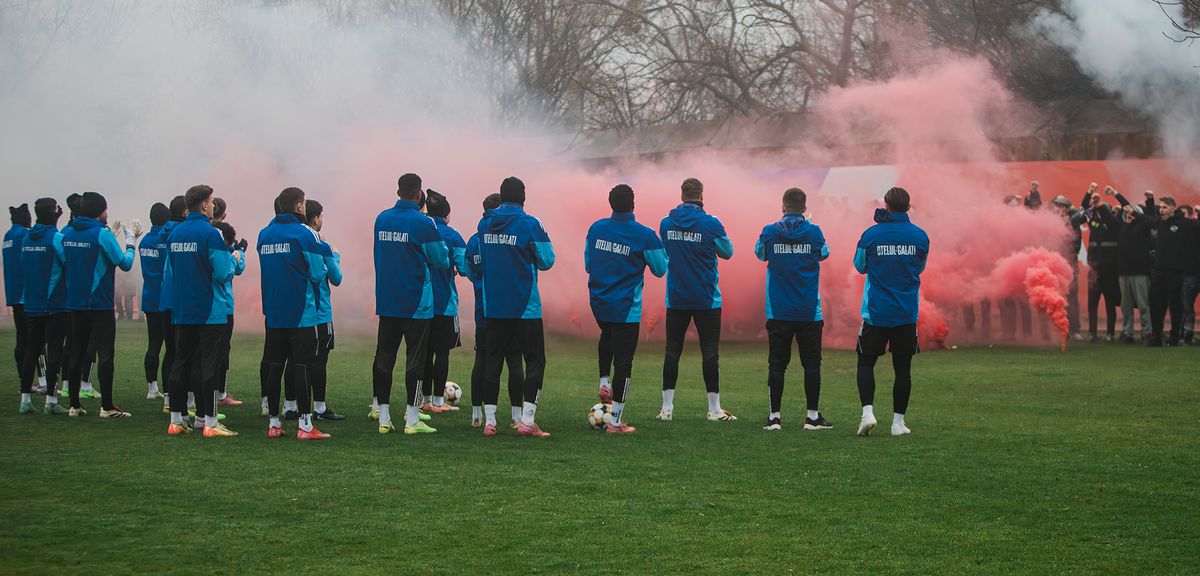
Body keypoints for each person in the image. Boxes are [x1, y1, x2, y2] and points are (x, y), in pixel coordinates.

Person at [584, 184, 667, 434]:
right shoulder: (645, 234)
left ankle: (604, 382)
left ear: (611, 203)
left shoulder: (596, 228)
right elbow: (660, 269)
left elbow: (589, 264)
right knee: (625, 363)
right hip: (626, 308)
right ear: (633, 204)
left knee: (606, 336)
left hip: (599, 302)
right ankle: (617, 422)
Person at [477, 176, 555, 438]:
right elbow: (547, 260)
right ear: (523, 197)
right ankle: (527, 421)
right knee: (534, 360)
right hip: (525, 307)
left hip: (494, 305)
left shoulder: (485, 223)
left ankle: (490, 423)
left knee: (493, 361)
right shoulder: (531, 223)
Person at [371, 174, 448, 435]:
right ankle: (412, 420)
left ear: (398, 191)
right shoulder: (423, 223)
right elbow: (440, 260)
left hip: (387, 300)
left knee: (384, 358)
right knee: (416, 360)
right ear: (419, 194)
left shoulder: (381, 219)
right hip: (417, 303)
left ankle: (383, 417)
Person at [852, 187, 929, 437]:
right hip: (906, 313)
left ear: (885, 205)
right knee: (903, 368)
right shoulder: (920, 236)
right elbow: (920, 267)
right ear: (908, 207)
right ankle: (898, 423)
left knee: (865, 363)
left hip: (875, 313)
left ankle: (867, 413)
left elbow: (860, 266)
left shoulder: (871, 234)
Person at [754, 187, 832, 432]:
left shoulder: (769, 231)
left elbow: (759, 253)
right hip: (809, 311)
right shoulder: (815, 232)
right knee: (811, 364)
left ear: (783, 207)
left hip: (778, 310)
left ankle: (774, 417)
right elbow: (824, 253)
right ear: (805, 208)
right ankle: (811, 417)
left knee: (777, 365)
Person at [658, 177, 735, 422]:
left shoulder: (666, 223)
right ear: (701, 196)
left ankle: (666, 409)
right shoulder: (711, 223)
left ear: (682, 196)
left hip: (677, 297)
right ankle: (714, 410)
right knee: (710, 353)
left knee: (672, 352)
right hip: (706, 299)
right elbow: (727, 252)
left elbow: (665, 250)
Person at [258, 187, 333, 440]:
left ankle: (274, 423)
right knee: (302, 366)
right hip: (302, 312)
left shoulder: (264, 235)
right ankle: (305, 425)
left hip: (273, 312)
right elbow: (316, 273)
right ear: (300, 206)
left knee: (275, 365)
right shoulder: (305, 234)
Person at [164, 185, 239, 437]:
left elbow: (174, 271)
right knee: (208, 364)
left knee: (180, 361)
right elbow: (222, 273)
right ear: (205, 205)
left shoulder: (174, 234)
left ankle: (177, 419)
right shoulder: (211, 234)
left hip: (183, 309)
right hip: (210, 310)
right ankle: (209, 421)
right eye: (210, 203)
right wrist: (233, 260)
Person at [62, 191, 134, 418]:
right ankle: (107, 406)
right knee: (105, 354)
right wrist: (131, 243)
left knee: (76, 351)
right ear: (99, 212)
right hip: (100, 305)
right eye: (105, 209)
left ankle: (74, 405)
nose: (107, 213)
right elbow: (124, 264)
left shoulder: (66, 233)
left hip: (75, 303)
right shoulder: (102, 234)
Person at [464, 193, 525, 428]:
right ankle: (516, 416)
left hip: (484, 310)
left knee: (484, 359)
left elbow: (469, 271)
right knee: (514, 361)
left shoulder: (474, 239)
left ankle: (477, 415)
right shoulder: (511, 234)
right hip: (512, 308)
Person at [18, 198, 70, 415]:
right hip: (54, 304)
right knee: (55, 352)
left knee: (32, 350)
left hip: (31, 304)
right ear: (53, 211)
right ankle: (50, 400)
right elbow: (67, 262)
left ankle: (25, 400)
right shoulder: (56, 238)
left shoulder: (26, 237)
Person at [420, 189, 467, 414]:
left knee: (425, 353)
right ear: (447, 214)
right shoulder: (453, 235)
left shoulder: (422, 230)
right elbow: (465, 267)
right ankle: (439, 401)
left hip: (422, 304)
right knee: (442, 353)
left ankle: (425, 399)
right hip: (445, 304)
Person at [302, 199, 344, 421]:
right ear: (316, 218)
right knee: (319, 361)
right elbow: (336, 278)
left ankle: (293, 406)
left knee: (300, 361)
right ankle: (318, 408)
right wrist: (335, 256)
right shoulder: (321, 245)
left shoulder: (299, 239)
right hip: (319, 311)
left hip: (300, 311)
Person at [1144, 193, 1195, 347]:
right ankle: (1156, 336)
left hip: (1176, 272)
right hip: (1158, 271)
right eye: (1161, 207)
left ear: (1173, 208)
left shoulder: (1185, 224)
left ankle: (1174, 337)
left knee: (1175, 305)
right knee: (1155, 304)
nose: (1162, 210)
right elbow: (1142, 218)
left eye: (1165, 207)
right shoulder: (1159, 223)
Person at [1105, 187, 1153, 343]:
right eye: (1126, 214)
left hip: (1140, 271)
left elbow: (1132, 209)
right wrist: (1099, 205)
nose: (1128, 215)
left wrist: (1115, 194)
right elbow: (1110, 220)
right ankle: (1128, 332)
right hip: (1124, 272)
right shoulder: (1122, 227)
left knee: (1143, 304)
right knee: (1126, 306)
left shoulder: (1143, 227)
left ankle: (1147, 331)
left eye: (1131, 213)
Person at [211, 220, 247, 408]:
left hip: (214, 308)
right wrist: (237, 255)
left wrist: (238, 253)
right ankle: (217, 396)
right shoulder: (219, 251)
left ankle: (190, 402)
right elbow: (227, 273)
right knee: (220, 353)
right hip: (222, 308)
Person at [139, 203, 170, 400]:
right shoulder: (166, 240)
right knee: (171, 347)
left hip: (149, 297)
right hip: (165, 298)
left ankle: (152, 387)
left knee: (153, 344)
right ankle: (168, 392)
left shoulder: (143, 242)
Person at [1083, 187, 1121, 341]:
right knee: (1092, 304)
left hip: (1110, 270)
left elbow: (1109, 219)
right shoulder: (1094, 222)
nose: (1100, 212)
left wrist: (1100, 205)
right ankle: (1092, 333)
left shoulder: (1114, 224)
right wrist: (1089, 193)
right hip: (1094, 270)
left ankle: (1110, 334)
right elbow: (1085, 210)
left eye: (1102, 210)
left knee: (1110, 304)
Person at [4, 204, 32, 393]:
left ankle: (24, 379)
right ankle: (36, 382)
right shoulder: (24, 235)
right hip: (27, 295)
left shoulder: (8, 236)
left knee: (21, 338)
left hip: (13, 294)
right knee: (35, 341)